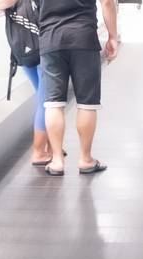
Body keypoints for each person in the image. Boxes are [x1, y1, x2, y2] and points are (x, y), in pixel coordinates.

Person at [36, 0, 121, 175]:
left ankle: (57, 160)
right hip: (84, 38)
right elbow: (107, 2)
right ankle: (85, 159)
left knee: (53, 103)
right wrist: (113, 36)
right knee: (87, 103)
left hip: (51, 39)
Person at [0, 0, 57, 166]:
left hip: (23, 47)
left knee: (44, 98)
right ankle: (39, 152)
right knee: (46, 101)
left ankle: (51, 145)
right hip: (40, 45)